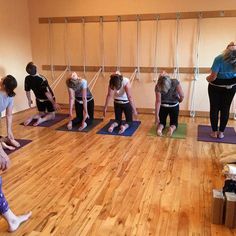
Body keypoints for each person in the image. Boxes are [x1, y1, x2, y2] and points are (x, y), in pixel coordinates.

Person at [0, 75, 31, 232]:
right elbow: (9, 115)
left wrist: (9, 135)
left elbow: (9, 114)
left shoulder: (5, 95)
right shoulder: (8, 94)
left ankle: (12, 219)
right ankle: (12, 219)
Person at [206, 41, 236, 139]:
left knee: (214, 108)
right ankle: (221, 133)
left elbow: (213, 77)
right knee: (225, 109)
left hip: (215, 87)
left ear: (226, 50)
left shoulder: (219, 58)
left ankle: (215, 132)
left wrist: (207, 79)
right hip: (230, 87)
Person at [24, 62, 60, 126]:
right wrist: (54, 103)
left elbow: (27, 91)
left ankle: (31, 117)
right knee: (52, 115)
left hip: (39, 100)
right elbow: (47, 93)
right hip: (48, 99)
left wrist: (29, 100)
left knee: (41, 113)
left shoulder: (27, 78)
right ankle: (41, 120)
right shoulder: (42, 78)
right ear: (36, 69)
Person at [155, 72, 184, 136]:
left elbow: (158, 102)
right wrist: (179, 101)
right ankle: (171, 128)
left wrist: (156, 116)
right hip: (174, 106)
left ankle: (159, 129)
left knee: (161, 122)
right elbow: (182, 95)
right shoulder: (175, 82)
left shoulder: (158, 85)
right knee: (174, 123)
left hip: (163, 106)